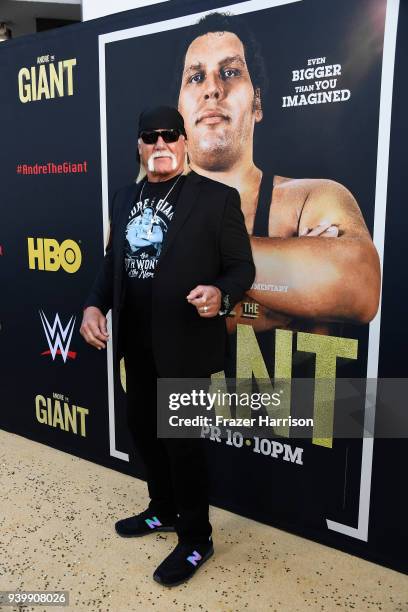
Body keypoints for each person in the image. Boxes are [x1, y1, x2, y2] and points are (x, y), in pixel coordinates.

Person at [80, 106, 255, 586]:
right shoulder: (126, 197)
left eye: (169, 136)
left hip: (186, 346)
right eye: (149, 137)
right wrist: (95, 306)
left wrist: (222, 294)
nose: (160, 144)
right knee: (145, 433)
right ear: (139, 146)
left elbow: (242, 269)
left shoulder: (217, 199)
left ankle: (197, 537)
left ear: (184, 142)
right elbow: (111, 262)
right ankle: (163, 510)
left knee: (183, 446)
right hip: (135, 346)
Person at [177, 12, 381, 336]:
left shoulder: (311, 199)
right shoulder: (141, 210)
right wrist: (284, 296)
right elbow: (163, 324)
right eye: (196, 78)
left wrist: (190, 253)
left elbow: (360, 286)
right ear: (179, 111)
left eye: (229, 72)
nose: (213, 89)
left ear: (257, 102)